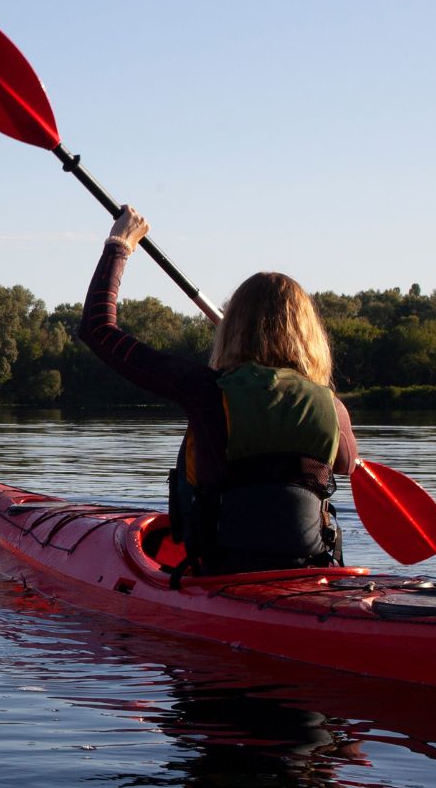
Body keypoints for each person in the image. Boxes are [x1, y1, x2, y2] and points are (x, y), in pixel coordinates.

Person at [77, 206, 357, 575]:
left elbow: (98, 328)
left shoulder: (206, 390)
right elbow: (347, 465)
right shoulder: (332, 407)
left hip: (222, 572)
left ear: (232, 328)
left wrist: (119, 244)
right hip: (311, 571)